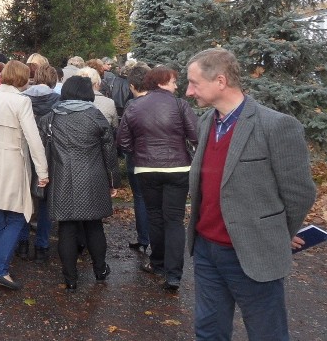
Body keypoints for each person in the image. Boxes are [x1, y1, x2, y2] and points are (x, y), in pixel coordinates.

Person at [184, 48, 316, 340]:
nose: (189, 91)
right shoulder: (207, 122)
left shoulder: (276, 125)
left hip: (251, 252)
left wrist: (276, 232)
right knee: (208, 331)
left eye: (194, 83)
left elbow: (300, 193)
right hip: (206, 250)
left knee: (267, 333)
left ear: (220, 81)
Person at [117, 66, 198, 291]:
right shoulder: (180, 105)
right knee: (174, 219)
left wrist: (140, 153)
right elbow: (196, 135)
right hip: (178, 168)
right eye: (173, 81)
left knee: (154, 216)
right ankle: (173, 275)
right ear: (162, 82)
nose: (177, 85)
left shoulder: (134, 107)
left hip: (146, 168)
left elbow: (122, 141)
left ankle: (158, 263)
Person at [38, 76, 119, 292]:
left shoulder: (50, 118)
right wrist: (113, 180)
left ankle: (70, 279)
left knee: (67, 227)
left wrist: (42, 176)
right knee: (94, 225)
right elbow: (109, 151)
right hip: (93, 178)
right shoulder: (96, 117)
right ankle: (100, 270)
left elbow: (42, 150)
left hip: (62, 177)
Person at [0, 60, 48, 290]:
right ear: (22, 78)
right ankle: (0, 269)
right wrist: (42, 171)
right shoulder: (21, 101)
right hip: (13, 162)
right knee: (17, 216)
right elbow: (34, 139)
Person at [17, 63, 60, 261]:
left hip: (24, 152)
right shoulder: (58, 101)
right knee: (45, 202)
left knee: (25, 199)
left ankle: (23, 242)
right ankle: (42, 246)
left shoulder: (23, 99)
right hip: (50, 154)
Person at [120, 64, 152, 253]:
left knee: (140, 198)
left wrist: (129, 152)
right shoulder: (163, 102)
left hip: (137, 158)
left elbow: (124, 137)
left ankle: (144, 238)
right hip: (160, 159)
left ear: (132, 85)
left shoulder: (132, 105)